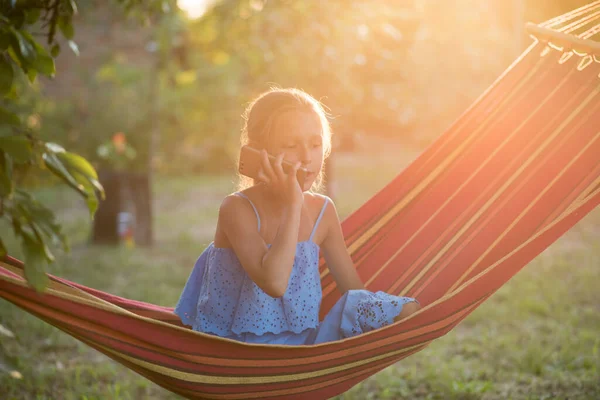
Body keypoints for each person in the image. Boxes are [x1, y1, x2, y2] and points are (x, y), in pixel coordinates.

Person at [174, 88, 420, 345]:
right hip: (238, 350)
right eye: (291, 146)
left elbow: (354, 292)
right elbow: (274, 283)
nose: (306, 157)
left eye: (315, 145)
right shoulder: (237, 209)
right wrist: (293, 204)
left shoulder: (322, 211)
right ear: (259, 152)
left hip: (304, 350)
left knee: (389, 308)